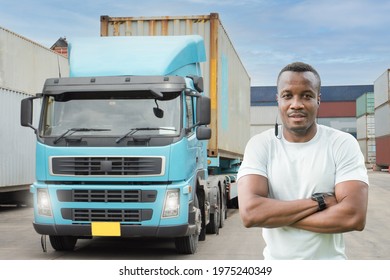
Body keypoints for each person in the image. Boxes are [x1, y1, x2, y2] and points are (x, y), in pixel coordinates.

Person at [237, 62, 369, 260]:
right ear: (278, 100)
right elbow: (250, 214)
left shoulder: (342, 144)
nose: (296, 104)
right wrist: (320, 202)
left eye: (306, 95)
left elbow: (354, 217)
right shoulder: (260, 145)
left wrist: (275, 216)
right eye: (287, 95)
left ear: (318, 100)